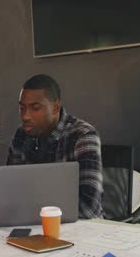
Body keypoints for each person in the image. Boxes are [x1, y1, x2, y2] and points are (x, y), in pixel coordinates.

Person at [6, 74, 104, 219]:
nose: (25, 116)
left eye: (35, 108)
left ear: (55, 107)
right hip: (34, 226)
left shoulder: (82, 135)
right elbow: (9, 193)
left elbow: (89, 208)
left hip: (81, 229)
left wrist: (30, 211)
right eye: (22, 108)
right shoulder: (21, 135)